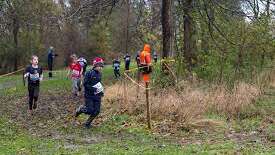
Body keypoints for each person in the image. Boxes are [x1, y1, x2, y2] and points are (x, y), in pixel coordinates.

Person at [75, 57, 104, 128]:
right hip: (89, 95)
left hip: (97, 95)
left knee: (97, 111)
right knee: (90, 110)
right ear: (95, 65)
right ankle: (81, 109)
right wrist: (93, 89)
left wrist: (101, 91)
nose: (100, 68)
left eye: (101, 66)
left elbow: (99, 84)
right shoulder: (89, 73)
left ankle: (87, 123)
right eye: (99, 66)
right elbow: (85, 84)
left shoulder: (100, 74)